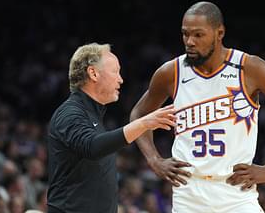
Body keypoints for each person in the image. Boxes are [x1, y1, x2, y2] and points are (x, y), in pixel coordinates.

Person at [130, 1, 265, 212]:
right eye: (185, 34)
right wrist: (154, 160)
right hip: (189, 193)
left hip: (236, 193)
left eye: (198, 35)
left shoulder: (249, 68)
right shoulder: (170, 73)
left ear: (219, 32)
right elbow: (139, 114)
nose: (190, 42)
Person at [47, 43, 176, 213]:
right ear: (93, 73)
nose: (121, 79)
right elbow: (93, 147)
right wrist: (143, 123)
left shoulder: (93, 116)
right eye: (115, 71)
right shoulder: (69, 112)